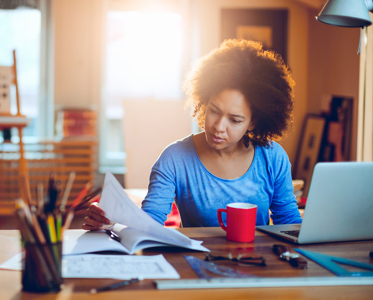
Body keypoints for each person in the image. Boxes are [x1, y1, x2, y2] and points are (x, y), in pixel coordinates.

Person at [83, 39, 303, 231]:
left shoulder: (273, 158)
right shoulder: (174, 158)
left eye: (234, 120)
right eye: (213, 111)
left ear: (253, 122)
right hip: (196, 264)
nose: (218, 126)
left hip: (260, 266)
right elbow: (150, 222)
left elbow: (289, 222)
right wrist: (112, 221)